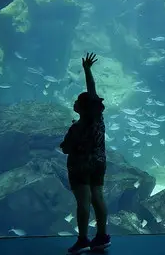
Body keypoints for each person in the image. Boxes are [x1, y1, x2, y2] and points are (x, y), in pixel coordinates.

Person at [60, 52, 111, 253]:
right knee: (98, 196)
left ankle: (83, 239)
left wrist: (66, 147)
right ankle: (102, 235)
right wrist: (87, 70)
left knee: (83, 201)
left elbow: (66, 148)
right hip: (99, 163)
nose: (74, 103)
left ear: (80, 107)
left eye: (76, 102)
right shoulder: (98, 120)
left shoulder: (76, 128)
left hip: (80, 167)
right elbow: (92, 94)